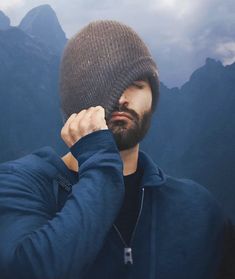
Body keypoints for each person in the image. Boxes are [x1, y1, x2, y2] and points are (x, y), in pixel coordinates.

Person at [0, 20, 227, 279]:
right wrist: (98, 158)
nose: (122, 98)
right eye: (104, 82)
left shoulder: (198, 208)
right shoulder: (17, 184)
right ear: (71, 100)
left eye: (137, 84)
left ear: (153, 100)